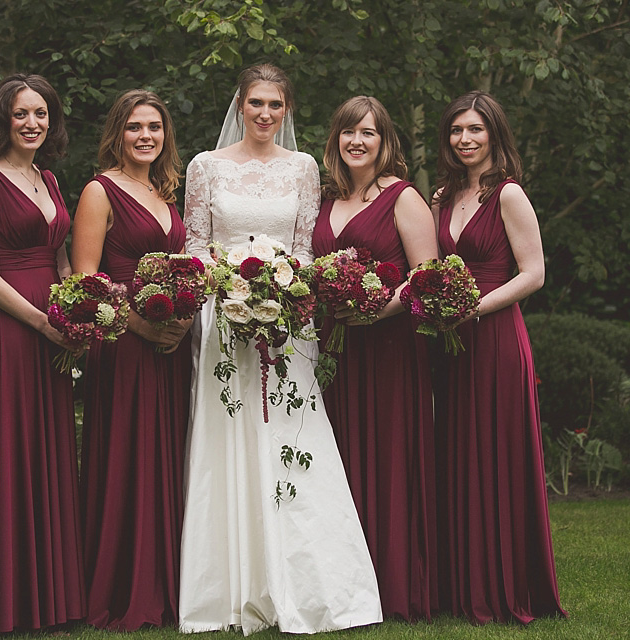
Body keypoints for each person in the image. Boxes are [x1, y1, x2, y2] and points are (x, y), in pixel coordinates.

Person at [179, 63, 382, 635]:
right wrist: (229, 288)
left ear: (287, 110)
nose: (265, 114)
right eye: (255, 103)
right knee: (230, 436)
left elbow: (304, 249)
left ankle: (309, 586)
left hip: (286, 320)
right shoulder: (205, 167)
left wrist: (282, 289)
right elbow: (196, 245)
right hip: (223, 317)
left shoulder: (304, 168)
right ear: (239, 104)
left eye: (275, 105)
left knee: (292, 434)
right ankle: (227, 590)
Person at [0, 73, 85, 632]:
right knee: (9, 452)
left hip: (52, 325)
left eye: (41, 114)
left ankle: (50, 598)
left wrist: (80, 306)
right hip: (7, 330)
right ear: (1, 119)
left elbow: (57, 256)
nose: (32, 124)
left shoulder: (48, 179)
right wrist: (40, 321)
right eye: (21, 114)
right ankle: (3, 601)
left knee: (47, 451)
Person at [432, 90, 566, 624]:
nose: (465, 140)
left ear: (494, 135)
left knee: (499, 454)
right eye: (456, 131)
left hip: (497, 339)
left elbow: (534, 274)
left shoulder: (509, 195)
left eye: (475, 130)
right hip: (451, 341)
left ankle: (508, 583)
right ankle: (461, 584)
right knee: (458, 454)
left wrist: (475, 309)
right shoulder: (442, 195)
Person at [311, 95, 438, 621]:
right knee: (337, 459)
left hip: (388, 349)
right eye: (348, 133)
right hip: (333, 350)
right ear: (336, 140)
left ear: (386, 142)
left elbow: (427, 275)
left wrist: (377, 311)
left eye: (368, 133)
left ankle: (393, 581)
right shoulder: (327, 198)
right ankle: (340, 585)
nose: (357, 142)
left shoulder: (403, 197)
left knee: (385, 455)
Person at [71, 90, 192, 630]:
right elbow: (85, 282)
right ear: (117, 134)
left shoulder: (165, 194)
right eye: (135, 127)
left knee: (164, 458)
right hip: (122, 346)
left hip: (168, 349)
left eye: (155, 127)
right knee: (127, 459)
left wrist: (182, 319)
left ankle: (164, 585)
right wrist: (141, 325)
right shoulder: (100, 191)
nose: (146, 136)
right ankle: (122, 587)